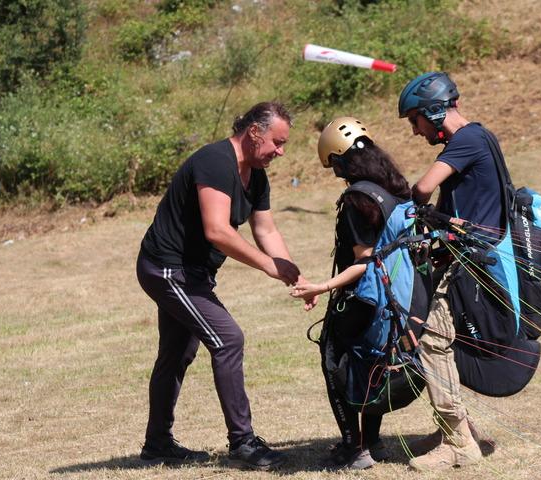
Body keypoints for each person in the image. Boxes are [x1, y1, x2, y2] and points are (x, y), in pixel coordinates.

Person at [136, 101, 314, 470]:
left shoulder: (256, 174)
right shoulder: (215, 162)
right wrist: (267, 265)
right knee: (227, 339)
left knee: (177, 353)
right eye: (277, 143)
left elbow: (265, 229)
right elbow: (217, 231)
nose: (280, 152)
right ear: (254, 132)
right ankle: (243, 443)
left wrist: (294, 275)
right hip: (169, 269)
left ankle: (157, 445)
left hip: (192, 273)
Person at [290, 117, 413, 470]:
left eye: (334, 165)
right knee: (372, 363)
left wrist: (323, 286)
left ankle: (352, 448)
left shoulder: (358, 198)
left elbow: (366, 260)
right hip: (396, 297)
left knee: (333, 360)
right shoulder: (393, 189)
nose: (335, 173)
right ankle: (371, 441)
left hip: (363, 296)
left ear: (343, 160)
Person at [398, 71, 502, 470]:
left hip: (470, 262)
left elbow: (422, 189)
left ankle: (459, 443)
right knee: (441, 341)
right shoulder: (481, 137)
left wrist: (421, 208)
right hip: (465, 256)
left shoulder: (466, 141)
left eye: (415, 121)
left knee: (433, 342)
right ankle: (455, 430)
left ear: (434, 111)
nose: (414, 131)